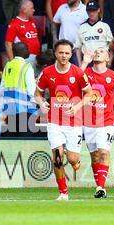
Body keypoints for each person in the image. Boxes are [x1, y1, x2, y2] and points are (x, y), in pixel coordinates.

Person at [34, 39, 93, 201]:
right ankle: (63, 192)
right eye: (61, 52)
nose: (64, 55)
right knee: (58, 158)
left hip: (74, 122)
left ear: (71, 54)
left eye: (67, 53)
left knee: (72, 159)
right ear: (55, 53)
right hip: (54, 122)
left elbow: (89, 93)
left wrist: (77, 107)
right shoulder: (47, 72)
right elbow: (37, 94)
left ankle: (74, 160)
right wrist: (42, 104)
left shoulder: (78, 72)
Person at [79, 47, 114, 198]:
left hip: (106, 121)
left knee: (104, 153)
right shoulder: (86, 73)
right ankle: (99, 186)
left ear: (108, 58)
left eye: (102, 51)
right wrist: (84, 63)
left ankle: (101, 187)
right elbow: (73, 80)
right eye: (96, 50)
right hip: (88, 122)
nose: (98, 52)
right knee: (94, 156)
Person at [0, 42, 37, 136]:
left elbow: (2, 87)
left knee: (13, 139)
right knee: (25, 139)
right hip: (24, 109)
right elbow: (31, 89)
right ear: (25, 52)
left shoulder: (8, 65)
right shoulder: (27, 66)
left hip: (10, 109)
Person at [53, 0, 88, 65]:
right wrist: (54, 38)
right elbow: (54, 22)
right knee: (61, 73)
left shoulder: (85, 10)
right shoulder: (62, 8)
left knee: (76, 73)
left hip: (78, 49)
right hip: (63, 49)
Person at [74, 1, 113, 67]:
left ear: (98, 10)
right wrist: (80, 64)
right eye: (89, 11)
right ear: (86, 12)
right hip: (87, 61)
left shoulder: (105, 26)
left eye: (94, 11)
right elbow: (78, 48)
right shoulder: (82, 27)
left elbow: (111, 46)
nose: (91, 13)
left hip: (102, 60)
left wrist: (109, 62)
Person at [5, 0, 41, 64]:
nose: (34, 10)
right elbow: (8, 44)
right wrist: (12, 62)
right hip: (24, 58)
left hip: (36, 56)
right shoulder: (14, 24)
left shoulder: (31, 21)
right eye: (31, 8)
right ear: (24, 10)